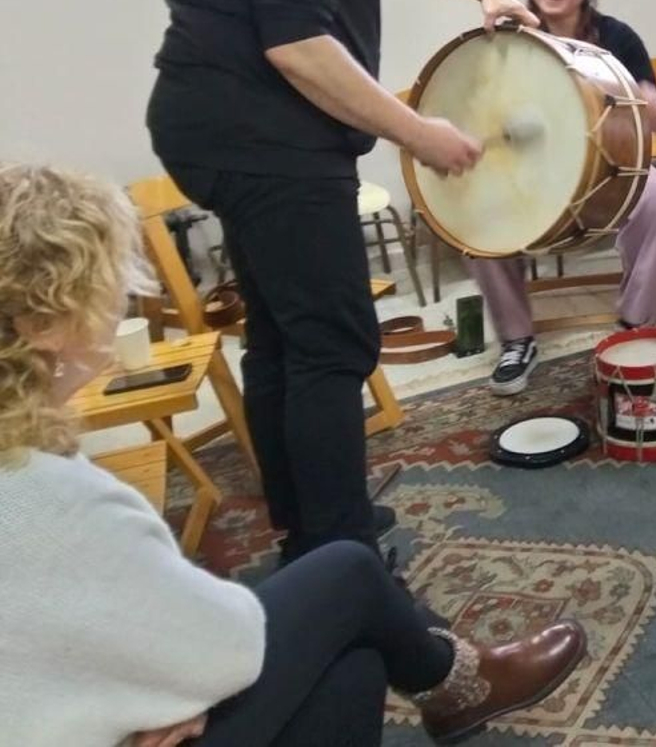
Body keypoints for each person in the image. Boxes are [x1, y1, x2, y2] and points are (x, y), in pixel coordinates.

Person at [0, 162, 586, 747]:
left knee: (353, 667)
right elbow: (222, 652)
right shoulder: (54, 494)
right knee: (347, 572)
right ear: (43, 321)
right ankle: (458, 687)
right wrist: (171, 694)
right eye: (107, 279)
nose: (123, 295)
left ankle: (450, 686)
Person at [145, 0, 538, 563]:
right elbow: (298, 46)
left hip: (219, 134)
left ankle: (302, 520)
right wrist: (419, 134)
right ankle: (337, 550)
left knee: (284, 334)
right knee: (333, 340)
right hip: (268, 144)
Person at [468, 0, 656, 395]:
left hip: (604, 174)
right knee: (471, 217)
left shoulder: (616, 37)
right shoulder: (507, 37)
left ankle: (637, 323)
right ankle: (517, 339)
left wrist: (650, 102)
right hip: (528, 174)